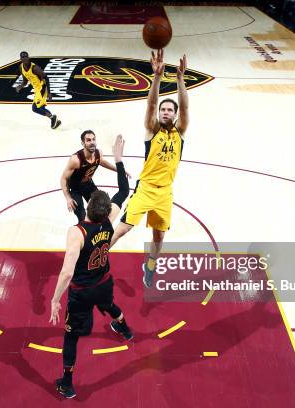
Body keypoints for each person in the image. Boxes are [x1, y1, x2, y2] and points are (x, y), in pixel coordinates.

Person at [50, 134, 132, 399]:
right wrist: (119, 161)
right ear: (106, 209)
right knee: (108, 305)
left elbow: (66, 272)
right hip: (103, 283)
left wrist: (54, 300)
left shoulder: (77, 232)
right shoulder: (109, 221)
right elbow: (123, 191)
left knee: (71, 337)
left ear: (88, 206)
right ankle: (124, 327)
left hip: (82, 291)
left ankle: (67, 382)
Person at [110, 49, 189, 289]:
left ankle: (150, 266)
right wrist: (156, 77)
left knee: (159, 237)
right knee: (122, 229)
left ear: (174, 115)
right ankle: (93, 260)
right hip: (144, 189)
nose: (165, 112)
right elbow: (151, 102)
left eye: (169, 110)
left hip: (165, 193)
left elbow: (185, 108)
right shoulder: (151, 129)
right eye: (163, 110)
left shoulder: (180, 132)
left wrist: (179, 79)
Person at [60, 130, 131, 222]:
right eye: (88, 140)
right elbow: (63, 179)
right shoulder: (76, 160)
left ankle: (99, 230)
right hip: (75, 189)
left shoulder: (98, 153)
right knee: (82, 216)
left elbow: (102, 162)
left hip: (88, 185)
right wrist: (68, 198)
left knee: (102, 208)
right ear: (83, 143)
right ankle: (85, 234)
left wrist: (120, 170)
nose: (92, 142)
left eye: (93, 139)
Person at [14, 51, 61, 129]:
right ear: (20, 59)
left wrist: (49, 92)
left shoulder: (35, 68)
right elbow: (25, 81)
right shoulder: (21, 67)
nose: (25, 58)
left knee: (36, 108)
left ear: (28, 58)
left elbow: (46, 78)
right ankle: (54, 119)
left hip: (42, 87)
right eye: (23, 57)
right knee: (37, 108)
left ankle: (53, 118)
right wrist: (21, 86)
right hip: (37, 89)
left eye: (26, 56)